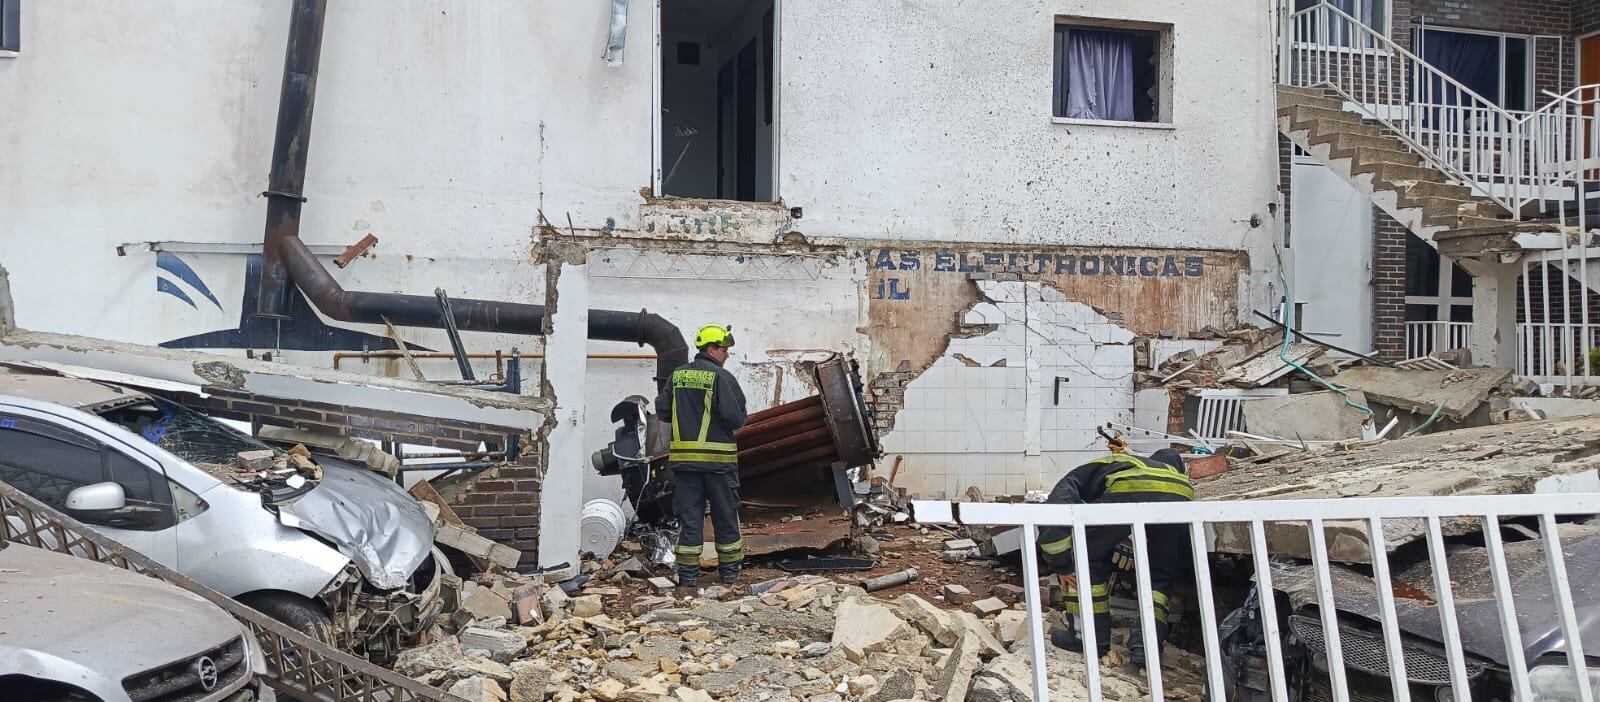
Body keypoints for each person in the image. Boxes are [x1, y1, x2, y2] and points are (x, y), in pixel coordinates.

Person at [1037, 447, 1193, 666]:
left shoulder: (1121, 462)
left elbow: (1057, 505)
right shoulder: (1177, 477)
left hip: (1131, 489)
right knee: (1159, 578)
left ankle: (1087, 638)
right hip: (1183, 496)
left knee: (1084, 558)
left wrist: (1062, 564)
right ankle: (1145, 647)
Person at [655, 323, 749, 590]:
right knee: (725, 515)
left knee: (690, 518)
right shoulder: (721, 378)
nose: (727, 355)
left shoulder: (677, 376)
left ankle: (687, 575)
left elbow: (662, 410)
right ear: (712, 349)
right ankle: (729, 573)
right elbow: (734, 417)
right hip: (718, 464)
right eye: (724, 350)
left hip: (685, 465)